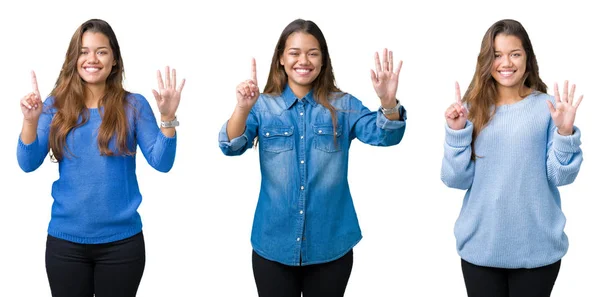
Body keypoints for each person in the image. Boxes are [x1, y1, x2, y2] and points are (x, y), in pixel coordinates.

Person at [218, 18, 407, 297]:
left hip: (331, 246)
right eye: (294, 52)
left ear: (322, 60)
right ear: (281, 58)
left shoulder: (342, 105)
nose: (303, 60)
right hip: (273, 246)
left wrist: (388, 103)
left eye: (312, 53)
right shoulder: (263, 105)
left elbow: (386, 136)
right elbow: (230, 146)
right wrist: (243, 109)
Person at [17, 19, 185, 297]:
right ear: (74, 58)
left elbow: (162, 162)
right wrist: (29, 122)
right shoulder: (54, 105)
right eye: (83, 51)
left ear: (115, 60)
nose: (91, 59)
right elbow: (27, 162)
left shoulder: (133, 105)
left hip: (122, 245)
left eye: (101, 51)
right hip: (65, 244)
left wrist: (167, 117)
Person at [441, 19, 583, 297]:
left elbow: (561, 176)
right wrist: (456, 133)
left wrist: (565, 132)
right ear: (486, 61)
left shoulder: (550, 109)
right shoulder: (469, 110)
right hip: (481, 247)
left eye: (514, 53)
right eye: (496, 55)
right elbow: (455, 179)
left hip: (537, 248)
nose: (506, 63)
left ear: (527, 58)